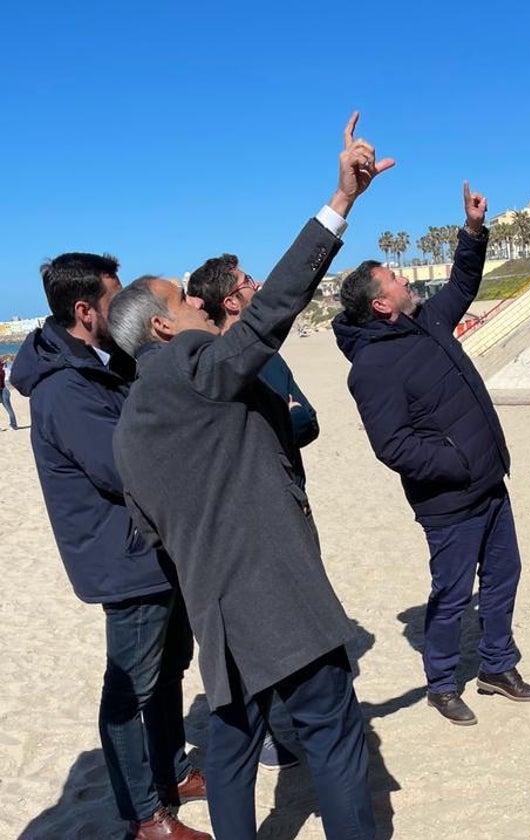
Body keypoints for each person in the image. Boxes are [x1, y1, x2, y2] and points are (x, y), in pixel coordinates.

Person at [108, 113, 391, 840]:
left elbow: (153, 534)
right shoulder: (193, 367)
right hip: (280, 604)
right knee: (332, 736)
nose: (200, 301)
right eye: (185, 298)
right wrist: (341, 202)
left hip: (219, 622)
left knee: (231, 754)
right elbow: (269, 314)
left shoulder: (129, 430)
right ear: (165, 328)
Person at [9, 255, 208, 840]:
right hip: (124, 558)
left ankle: (172, 773)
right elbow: (121, 465)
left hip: (156, 545)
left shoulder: (104, 362)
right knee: (127, 691)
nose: (124, 311)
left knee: (171, 667)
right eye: (113, 300)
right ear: (84, 310)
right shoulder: (63, 388)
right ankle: (147, 819)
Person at [332, 182, 530, 727]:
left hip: (490, 482)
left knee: (504, 576)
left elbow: (463, 285)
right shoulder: (371, 368)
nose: (405, 280)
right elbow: (393, 445)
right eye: (396, 279)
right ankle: (442, 683)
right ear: (381, 304)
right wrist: (457, 463)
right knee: (452, 594)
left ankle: (498, 665)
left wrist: (472, 231)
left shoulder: (426, 319)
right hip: (450, 501)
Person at [186, 252, 320, 770]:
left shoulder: (272, 355)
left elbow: (308, 420)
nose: (258, 282)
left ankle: (301, 715)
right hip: (246, 518)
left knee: (300, 615)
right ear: (231, 299)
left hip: (294, 498)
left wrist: (284, 421)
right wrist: (282, 420)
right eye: (247, 280)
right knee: (249, 632)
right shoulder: (216, 363)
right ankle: (258, 733)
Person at [1, 354, 19, 429]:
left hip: (4, 389)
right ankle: (13, 425)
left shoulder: (3, 368)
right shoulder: (3, 367)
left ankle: (13, 425)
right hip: (4, 388)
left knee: (8, 408)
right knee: (9, 408)